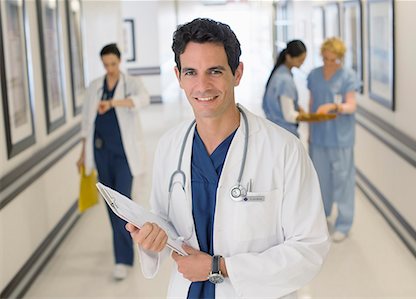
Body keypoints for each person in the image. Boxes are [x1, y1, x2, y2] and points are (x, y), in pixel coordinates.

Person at [126, 18, 329, 298]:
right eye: (191, 73)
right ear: (178, 77)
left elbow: (309, 249)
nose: (202, 86)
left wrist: (218, 267)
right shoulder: (170, 146)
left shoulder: (284, 150)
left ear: (237, 73)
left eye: (215, 71)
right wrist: (151, 237)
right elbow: (164, 220)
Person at [77, 43, 149, 280]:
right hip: (101, 153)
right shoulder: (95, 87)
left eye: (113, 64)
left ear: (120, 61)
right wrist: (82, 154)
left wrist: (113, 103)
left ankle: (124, 258)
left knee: (123, 205)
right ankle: (122, 255)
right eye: (106, 65)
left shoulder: (130, 83)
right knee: (111, 205)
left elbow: (142, 100)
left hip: (124, 155)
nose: (110, 69)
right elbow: (87, 124)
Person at [306, 37, 359, 243]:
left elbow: (351, 105)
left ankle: (344, 223)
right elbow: (311, 103)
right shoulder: (314, 75)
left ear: (341, 58)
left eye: (334, 60)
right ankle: (324, 215)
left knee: (343, 181)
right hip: (319, 136)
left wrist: (335, 107)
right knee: (321, 180)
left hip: (341, 137)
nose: (330, 64)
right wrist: (310, 131)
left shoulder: (348, 76)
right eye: (326, 59)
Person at [262, 40, 307, 137]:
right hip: (284, 133)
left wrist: (296, 106)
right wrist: (308, 117)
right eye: (300, 60)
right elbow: (289, 115)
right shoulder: (285, 80)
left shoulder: (278, 73)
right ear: (289, 57)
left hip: (275, 131)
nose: (302, 63)